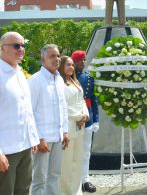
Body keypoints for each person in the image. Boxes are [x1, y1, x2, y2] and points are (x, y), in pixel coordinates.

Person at [0, 32, 39, 195]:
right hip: (4, 150)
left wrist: (33, 137)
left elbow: (26, 110)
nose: (21, 49)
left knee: (23, 190)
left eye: (23, 46)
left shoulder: (20, 74)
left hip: (25, 147)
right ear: (3, 48)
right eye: (16, 45)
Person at [29, 44, 69, 195]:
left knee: (54, 176)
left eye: (58, 55)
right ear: (42, 59)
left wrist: (65, 131)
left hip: (58, 137)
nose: (57, 59)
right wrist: (38, 138)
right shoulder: (34, 81)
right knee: (39, 179)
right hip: (43, 139)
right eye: (52, 56)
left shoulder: (59, 79)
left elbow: (63, 107)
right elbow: (29, 113)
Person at [58, 56, 89, 195]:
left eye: (71, 65)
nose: (71, 67)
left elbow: (82, 100)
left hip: (79, 126)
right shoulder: (59, 83)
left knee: (77, 161)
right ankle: (65, 192)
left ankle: (77, 191)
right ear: (61, 66)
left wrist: (85, 115)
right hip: (68, 126)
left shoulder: (74, 81)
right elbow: (63, 105)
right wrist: (79, 116)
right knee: (66, 164)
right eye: (67, 65)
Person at [71, 50, 99, 193]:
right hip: (73, 119)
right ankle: (74, 181)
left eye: (84, 59)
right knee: (73, 151)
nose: (83, 62)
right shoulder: (68, 78)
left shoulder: (89, 78)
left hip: (88, 118)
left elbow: (94, 100)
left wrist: (96, 120)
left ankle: (85, 180)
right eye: (80, 60)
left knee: (86, 151)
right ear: (74, 61)